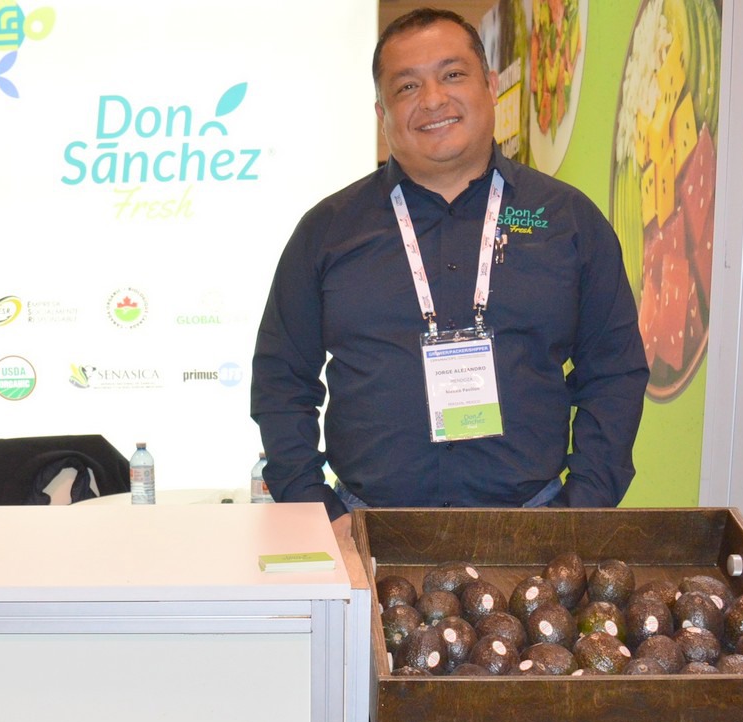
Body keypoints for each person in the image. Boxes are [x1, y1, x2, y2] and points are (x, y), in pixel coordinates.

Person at [250, 8, 648, 538]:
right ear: (382, 112)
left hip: (536, 530)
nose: (433, 99)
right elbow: (281, 380)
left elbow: (614, 371)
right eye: (407, 86)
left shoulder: (568, 221)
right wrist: (314, 507)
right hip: (365, 530)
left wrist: (584, 506)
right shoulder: (327, 232)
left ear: (490, 86)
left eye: (452, 74)